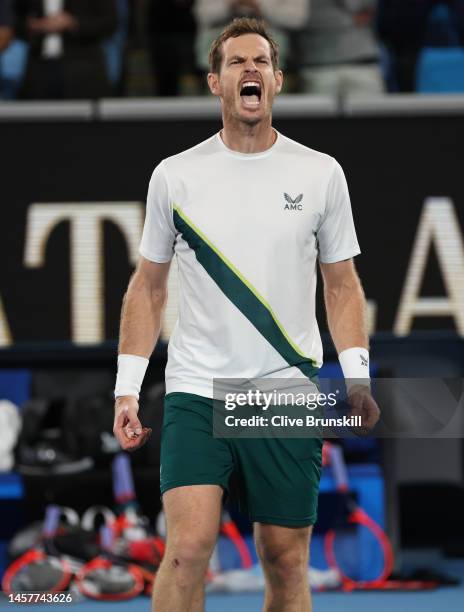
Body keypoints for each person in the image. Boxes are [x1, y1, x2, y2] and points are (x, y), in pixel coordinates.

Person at [113, 17, 380, 612]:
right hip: (196, 388)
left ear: (278, 80)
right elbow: (146, 289)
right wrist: (126, 390)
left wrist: (357, 377)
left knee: (285, 560)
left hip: (282, 392)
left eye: (261, 60)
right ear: (215, 82)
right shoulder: (175, 175)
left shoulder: (321, 173)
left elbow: (341, 287)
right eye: (236, 62)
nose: (250, 69)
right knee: (186, 549)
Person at [15, 0, 117, 99]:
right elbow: (14, 20)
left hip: (83, 71)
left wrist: (73, 23)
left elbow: (110, 22)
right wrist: (32, 26)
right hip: (38, 71)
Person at [194, 0, 309, 75]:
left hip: (271, 36)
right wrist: (231, 4)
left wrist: (258, 6)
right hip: (220, 37)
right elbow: (202, 15)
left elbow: (297, 19)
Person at [299, 0, 384, 97]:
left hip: (363, 63)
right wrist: (351, 20)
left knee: (372, 110)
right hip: (318, 64)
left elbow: (364, 7)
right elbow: (300, 18)